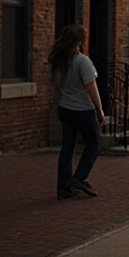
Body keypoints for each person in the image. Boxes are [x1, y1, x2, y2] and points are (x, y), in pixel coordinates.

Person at [48, 25, 105, 200]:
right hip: (82, 110)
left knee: (67, 147)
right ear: (80, 41)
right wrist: (99, 108)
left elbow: (56, 88)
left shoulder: (58, 62)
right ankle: (79, 178)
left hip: (65, 109)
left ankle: (63, 186)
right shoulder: (82, 61)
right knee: (94, 143)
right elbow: (91, 87)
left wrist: (57, 105)